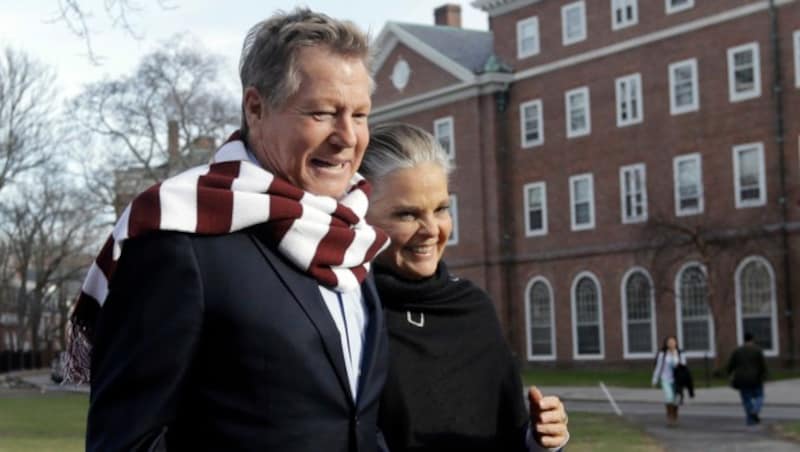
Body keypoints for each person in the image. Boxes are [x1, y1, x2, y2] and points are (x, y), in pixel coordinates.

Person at [68, 9, 392, 451]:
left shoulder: (353, 241)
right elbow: (127, 443)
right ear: (256, 108)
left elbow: (357, 423)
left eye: (360, 115)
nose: (348, 137)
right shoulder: (180, 236)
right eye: (322, 113)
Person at [360, 123, 569, 452]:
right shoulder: (349, 314)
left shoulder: (474, 309)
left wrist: (540, 439)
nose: (431, 229)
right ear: (360, 216)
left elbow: (510, 435)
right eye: (407, 214)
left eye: (441, 209)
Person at [727, 332, 768, 425]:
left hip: (741, 379)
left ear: (744, 339)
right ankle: (755, 410)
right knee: (760, 396)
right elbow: (762, 365)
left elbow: (730, 365)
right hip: (756, 378)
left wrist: (729, 374)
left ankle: (750, 420)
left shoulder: (737, 351)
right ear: (752, 339)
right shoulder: (758, 350)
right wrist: (764, 375)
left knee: (746, 399)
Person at [651, 335, 686, 426]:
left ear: (676, 343)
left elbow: (679, 366)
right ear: (666, 344)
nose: (671, 344)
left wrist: (674, 355)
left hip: (677, 380)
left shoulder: (680, 354)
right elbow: (658, 367)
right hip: (665, 379)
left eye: (673, 342)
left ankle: (675, 415)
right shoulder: (662, 354)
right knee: (669, 397)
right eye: (669, 342)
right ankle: (669, 416)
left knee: (676, 399)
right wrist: (655, 379)